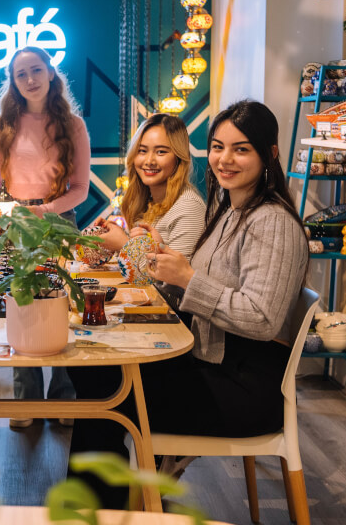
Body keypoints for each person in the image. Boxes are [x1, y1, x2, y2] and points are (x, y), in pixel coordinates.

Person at [67, 100, 309, 507]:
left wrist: (187, 278)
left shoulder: (271, 222)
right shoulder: (231, 212)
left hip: (244, 388)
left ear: (269, 154)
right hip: (213, 364)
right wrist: (162, 261)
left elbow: (262, 319)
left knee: (104, 391)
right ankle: (107, 504)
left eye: (241, 149)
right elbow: (199, 284)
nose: (225, 159)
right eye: (217, 147)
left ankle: (99, 508)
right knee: (96, 375)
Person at [0, 46, 90, 428]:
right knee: (22, 306)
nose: (29, 79)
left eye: (36, 70)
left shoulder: (73, 125)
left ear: (50, 72)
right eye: (21, 74)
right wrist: (6, 216)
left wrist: (43, 212)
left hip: (59, 222)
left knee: (61, 307)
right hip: (13, 225)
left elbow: (80, 189)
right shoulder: (1, 125)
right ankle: (25, 401)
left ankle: (64, 399)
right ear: (12, 81)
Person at [90, 113, 205, 290]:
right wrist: (108, 241)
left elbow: (176, 286)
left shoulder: (189, 207)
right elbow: (138, 272)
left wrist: (124, 245)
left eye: (161, 152)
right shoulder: (146, 202)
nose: (149, 161)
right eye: (142, 151)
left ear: (178, 158)